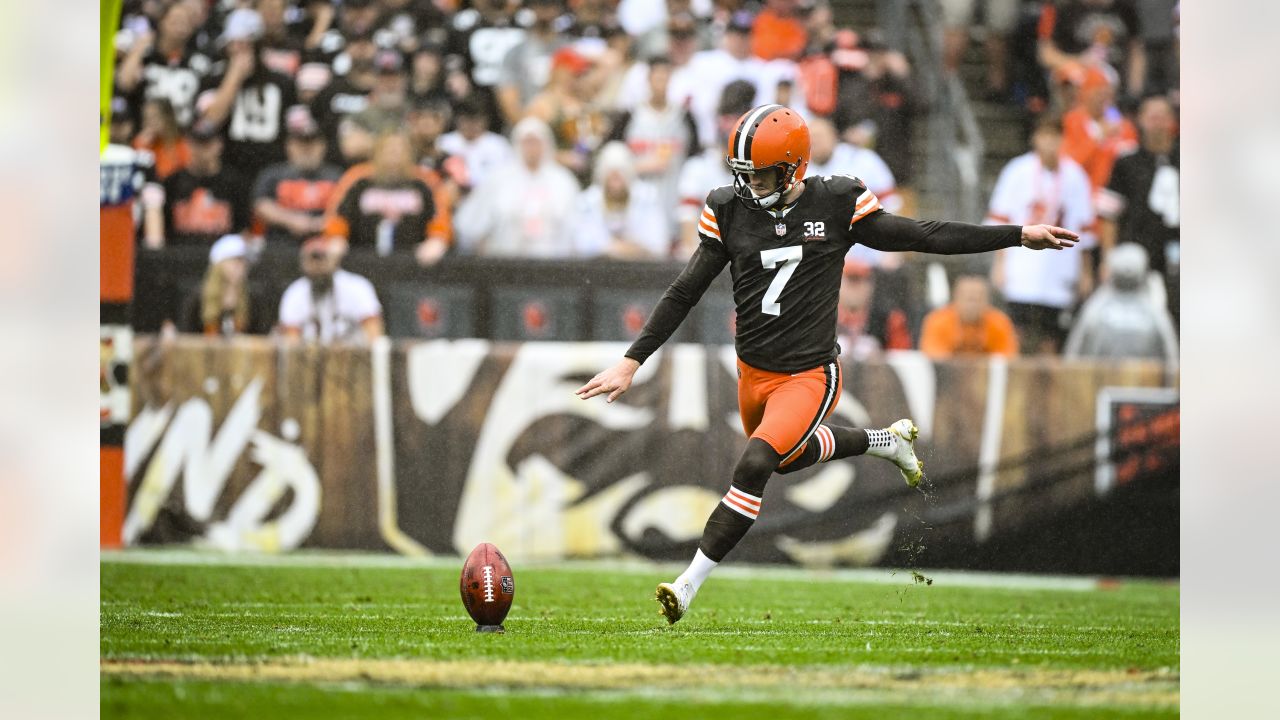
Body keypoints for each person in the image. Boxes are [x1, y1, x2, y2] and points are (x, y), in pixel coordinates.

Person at [575, 105, 1077, 624]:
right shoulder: (728, 207)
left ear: (793, 167)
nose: (749, 186)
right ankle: (886, 442)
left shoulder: (835, 201)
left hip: (809, 372)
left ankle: (687, 584)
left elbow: (923, 234)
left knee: (755, 465)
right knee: (787, 458)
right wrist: (632, 361)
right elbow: (685, 290)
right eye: (742, 174)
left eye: (761, 174)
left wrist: (1016, 235)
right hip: (753, 371)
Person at [986, 115, 1095, 354]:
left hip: (1059, 266)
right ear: (1035, 138)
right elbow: (1000, 221)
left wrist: (1085, 272)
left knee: (1051, 337)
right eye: (1044, 135)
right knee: (1017, 331)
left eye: (1054, 136)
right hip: (1022, 266)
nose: (1049, 142)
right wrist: (999, 264)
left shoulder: (1075, 176)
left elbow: (1085, 229)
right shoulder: (1017, 171)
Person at [1096, 94, 1179, 322]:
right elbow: (1109, 215)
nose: (1157, 123)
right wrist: (1107, 259)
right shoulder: (1126, 161)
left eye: (1162, 117)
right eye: (1152, 117)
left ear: (1173, 121)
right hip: (1138, 256)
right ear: (1140, 120)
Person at [453, 117, 583, 258]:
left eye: (536, 142)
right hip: (506, 263)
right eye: (527, 142)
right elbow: (471, 224)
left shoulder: (563, 181)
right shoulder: (498, 179)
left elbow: (577, 230)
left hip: (554, 264)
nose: (532, 148)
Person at [198, 8, 298, 180]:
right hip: (229, 171)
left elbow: (296, 129)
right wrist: (234, 77)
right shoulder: (213, 79)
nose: (239, 50)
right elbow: (210, 121)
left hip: (272, 170)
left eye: (246, 44)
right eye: (235, 43)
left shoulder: (283, 82)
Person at [323, 131, 450, 265]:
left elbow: (440, 215)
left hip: (412, 259)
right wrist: (336, 237)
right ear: (376, 154)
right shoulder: (357, 179)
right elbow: (337, 213)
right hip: (363, 256)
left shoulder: (426, 181)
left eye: (400, 151)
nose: (394, 157)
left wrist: (437, 239)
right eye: (388, 151)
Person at [1063, 243, 1177, 364]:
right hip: (1106, 378)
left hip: (1141, 380)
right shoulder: (1153, 309)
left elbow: (1075, 350)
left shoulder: (1097, 306)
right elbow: (1171, 353)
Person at [143, 120, 250, 249]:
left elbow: (243, 230)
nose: (201, 150)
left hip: (220, 258)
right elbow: (161, 230)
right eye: (197, 144)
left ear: (219, 145)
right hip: (179, 258)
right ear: (187, 145)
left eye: (207, 144)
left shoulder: (234, 183)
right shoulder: (172, 182)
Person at [252, 105, 343, 247]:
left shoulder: (336, 176)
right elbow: (261, 205)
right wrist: (292, 220)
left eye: (312, 143)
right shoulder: (273, 174)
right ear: (289, 146)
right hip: (279, 246)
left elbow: (348, 209)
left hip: (324, 244)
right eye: (301, 143)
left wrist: (320, 223)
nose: (306, 149)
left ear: (323, 146)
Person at [573, 142, 672, 259]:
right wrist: (614, 248)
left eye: (620, 175)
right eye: (611, 176)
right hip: (598, 269)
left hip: (641, 269)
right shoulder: (587, 202)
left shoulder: (648, 198)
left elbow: (658, 244)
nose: (615, 183)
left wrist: (628, 249)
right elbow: (581, 245)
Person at [278, 236, 384, 344]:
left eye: (322, 258)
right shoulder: (294, 293)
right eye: (312, 259)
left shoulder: (357, 287)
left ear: (334, 260)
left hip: (354, 357)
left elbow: (374, 336)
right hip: (310, 357)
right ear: (303, 263)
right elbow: (291, 343)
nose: (317, 266)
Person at [180, 234, 274, 336]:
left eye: (244, 262)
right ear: (218, 264)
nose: (240, 267)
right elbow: (185, 334)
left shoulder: (254, 297)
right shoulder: (198, 297)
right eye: (235, 261)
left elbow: (263, 336)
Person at [919, 273, 1020, 359]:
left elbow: (1009, 359)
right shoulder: (937, 321)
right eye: (969, 298)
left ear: (987, 301)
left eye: (978, 298)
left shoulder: (1000, 322)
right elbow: (933, 358)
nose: (973, 304)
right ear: (956, 298)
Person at [836, 260, 912, 361]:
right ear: (838, 284)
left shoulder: (890, 319)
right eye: (851, 282)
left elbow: (903, 360)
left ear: (870, 285)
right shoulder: (823, 320)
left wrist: (881, 359)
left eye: (861, 281)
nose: (855, 289)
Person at [437, 99, 513, 192]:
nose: (471, 126)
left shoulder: (499, 145)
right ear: (458, 120)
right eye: (467, 120)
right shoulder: (444, 143)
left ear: (485, 121)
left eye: (476, 120)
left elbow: (509, 177)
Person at [132, 98, 191, 180]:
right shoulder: (143, 144)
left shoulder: (185, 145)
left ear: (168, 117)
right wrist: (140, 144)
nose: (149, 123)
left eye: (154, 117)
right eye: (146, 118)